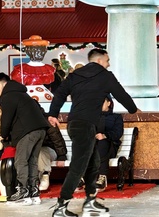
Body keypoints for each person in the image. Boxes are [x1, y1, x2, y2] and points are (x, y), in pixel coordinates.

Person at [48, 48, 138, 217]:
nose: (108, 64)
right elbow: (121, 95)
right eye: (107, 60)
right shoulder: (105, 76)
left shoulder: (74, 76)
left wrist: (53, 113)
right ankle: (61, 206)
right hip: (86, 126)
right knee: (78, 167)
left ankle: (90, 201)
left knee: (94, 163)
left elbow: (59, 93)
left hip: (74, 125)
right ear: (99, 61)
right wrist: (133, 109)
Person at [0, 72, 50, 205]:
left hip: (27, 131)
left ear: (4, 84)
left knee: (21, 161)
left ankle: (23, 192)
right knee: (32, 161)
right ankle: (33, 191)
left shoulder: (8, 96)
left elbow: (6, 120)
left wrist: (3, 135)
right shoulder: (22, 94)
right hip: (40, 129)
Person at [94, 94, 124, 190]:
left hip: (110, 147)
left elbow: (118, 133)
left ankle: (102, 177)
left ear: (109, 103)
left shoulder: (116, 117)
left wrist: (105, 136)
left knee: (102, 143)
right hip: (94, 146)